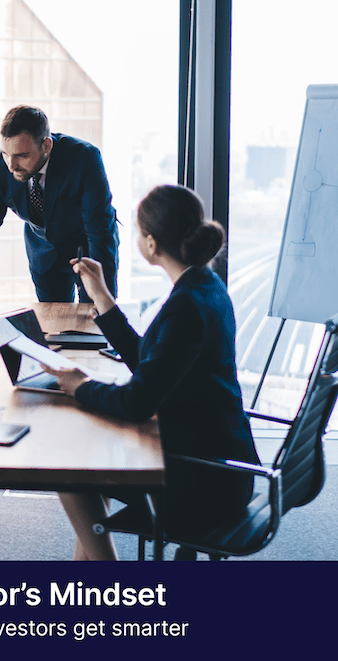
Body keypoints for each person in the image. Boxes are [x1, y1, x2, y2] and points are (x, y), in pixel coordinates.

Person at [44, 184, 260, 561]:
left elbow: (137, 402)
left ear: (151, 244)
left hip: (201, 481)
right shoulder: (206, 286)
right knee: (86, 472)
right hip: (224, 464)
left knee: (71, 474)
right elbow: (153, 359)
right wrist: (103, 299)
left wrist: (79, 387)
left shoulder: (185, 306)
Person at [0, 105, 119, 308]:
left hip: (88, 251)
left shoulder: (84, 158)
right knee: (54, 328)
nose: (12, 165)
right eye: (5, 153)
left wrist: (104, 300)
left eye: (22, 156)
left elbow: (99, 230)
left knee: (94, 323)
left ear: (46, 145)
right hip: (44, 254)